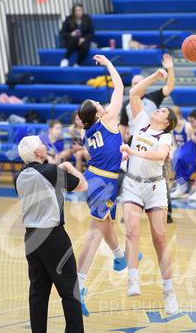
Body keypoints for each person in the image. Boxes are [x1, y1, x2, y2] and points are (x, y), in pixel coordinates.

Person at [76, 54, 140, 317]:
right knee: (94, 235)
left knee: (106, 224)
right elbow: (120, 88)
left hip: (96, 177)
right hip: (103, 182)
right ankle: (77, 287)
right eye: (97, 103)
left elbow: (105, 150)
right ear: (99, 113)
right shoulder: (110, 117)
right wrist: (109, 64)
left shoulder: (86, 131)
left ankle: (119, 258)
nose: (101, 103)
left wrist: (118, 155)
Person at [14, 135, 88, 333]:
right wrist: (68, 167)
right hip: (53, 237)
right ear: (38, 152)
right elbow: (82, 185)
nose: (44, 145)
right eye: (41, 143)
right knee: (69, 291)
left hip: (31, 238)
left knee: (38, 292)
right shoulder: (51, 171)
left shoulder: (18, 176)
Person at [120, 68, 178, 315]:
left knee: (159, 240)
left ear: (166, 122)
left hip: (155, 188)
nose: (158, 109)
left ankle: (169, 292)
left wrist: (133, 152)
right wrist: (155, 76)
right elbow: (133, 92)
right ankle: (133, 279)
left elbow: (160, 155)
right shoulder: (141, 121)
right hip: (133, 185)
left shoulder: (165, 136)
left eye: (163, 110)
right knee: (131, 231)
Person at [119, 53, 175, 146]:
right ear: (132, 86)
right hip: (134, 138)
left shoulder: (153, 97)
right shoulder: (126, 104)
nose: (137, 85)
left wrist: (170, 69)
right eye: (135, 83)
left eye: (140, 83)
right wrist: (118, 145)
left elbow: (169, 87)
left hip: (152, 138)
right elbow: (122, 126)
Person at [171, 109, 196, 200]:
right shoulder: (173, 128)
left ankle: (183, 185)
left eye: (192, 121)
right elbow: (174, 145)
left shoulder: (189, 127)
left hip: (194, 154)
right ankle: (180, 185)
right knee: (175, 157)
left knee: (178, 158)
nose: (191, 123)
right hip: (186, 153)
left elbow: (190, 146)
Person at [59, 3, 94, 67]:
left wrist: (84, 39)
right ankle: (65, 59)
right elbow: (62, 33)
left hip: (83, 41)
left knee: (85, 45)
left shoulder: (87, 18)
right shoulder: (68, 19)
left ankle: (78, 63)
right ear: (73, 12)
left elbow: (91, 33)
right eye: (77, 10)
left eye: (80, 10)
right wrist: (71, 34)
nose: (79, 12)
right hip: (72, 42)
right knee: (75, 39)